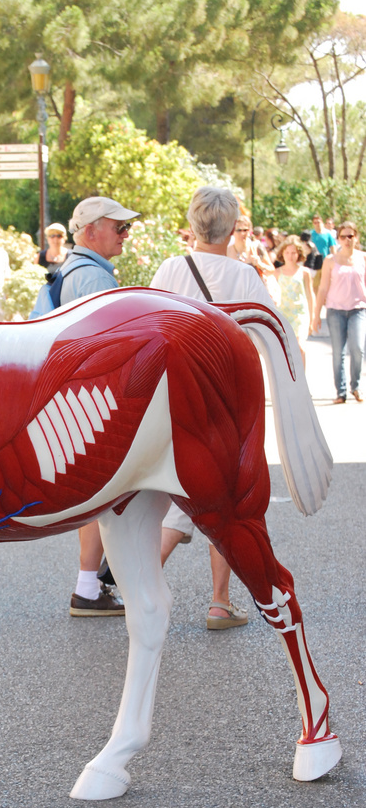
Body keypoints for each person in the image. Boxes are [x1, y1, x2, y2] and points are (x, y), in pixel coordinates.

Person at [150, 186, 278, 629]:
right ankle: (219, 601)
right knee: (221, 500)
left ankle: (141, 588)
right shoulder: (246, 278)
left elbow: (148, 327)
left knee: (176, 494)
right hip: (224, 405)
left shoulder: (170, 269)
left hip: (173, 400)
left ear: (193, 223)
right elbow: (269, 336)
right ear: (233, 226)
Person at [61, 196, 140, 617]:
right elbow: (104, 352)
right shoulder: (94, 279)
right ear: (91, 232)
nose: (126, 234)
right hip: (93, 401)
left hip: (79, 399)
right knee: (102, 497)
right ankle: (93, 585)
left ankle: (92, 584)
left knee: (101, 498)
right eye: (119, 227)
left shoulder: (80, 271)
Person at [313, 220, 366, 403]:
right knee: (338, 352)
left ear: (356, 237)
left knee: (358, 349)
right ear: (339, 239)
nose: (347, 240)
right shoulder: (330, 260)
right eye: (343, 236)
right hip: (335, 311)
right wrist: (315, 315)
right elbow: (322, 288)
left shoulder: (363, 258)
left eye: (350, 236)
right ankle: (341, 392)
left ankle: (356, 386)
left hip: (358, 310)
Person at [274, 235, 315, 367]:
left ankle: (301, 382)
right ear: (282, 253)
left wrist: (312, 317)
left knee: (300, 347)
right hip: (283, 315)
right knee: (285, 350)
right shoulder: (277, 272)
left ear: (299, 254)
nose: (290, 256)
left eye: (293, 253)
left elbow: (310, 295)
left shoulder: (304, 272)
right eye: (287, 252)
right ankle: (289, 381)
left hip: (300, 315)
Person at [227, 214, 280, 305]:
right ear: (232, 231)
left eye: (245, 230)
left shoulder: (257, 247)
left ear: (250, 231)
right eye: (239, 230)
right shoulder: (227, 251)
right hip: (235, 297)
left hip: (256, 297)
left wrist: (259, 264)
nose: (242, 233)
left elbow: (271, 271)